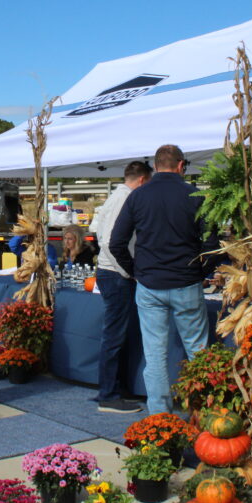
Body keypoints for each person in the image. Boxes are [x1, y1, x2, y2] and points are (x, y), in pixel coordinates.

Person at [109, 144, 218, 415]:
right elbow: (213, 245)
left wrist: (135, 272)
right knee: (198, 351)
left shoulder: (137, 196)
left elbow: (116, 243)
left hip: (149, 284)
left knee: (155, 355)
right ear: (181, 165)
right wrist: (201, 273)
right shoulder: (195, 195)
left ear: (156, 166)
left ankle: (159, 417)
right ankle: (206, 413)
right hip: (186, 282)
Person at [91, 160, 152, 413]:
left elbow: (98, 231)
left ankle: (118, 388)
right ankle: (108, 394)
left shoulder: (118, 197)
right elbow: (109, 242)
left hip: (114, 272)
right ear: (142, 180)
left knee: (121, 334)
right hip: (115, 274)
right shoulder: (122, 200)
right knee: (114, 335)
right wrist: (130, 271)